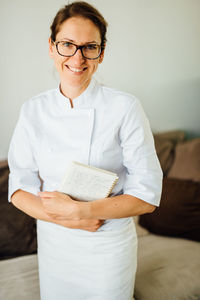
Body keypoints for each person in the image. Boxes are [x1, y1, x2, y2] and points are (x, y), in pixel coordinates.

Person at [8, 2, 163, 300]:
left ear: (101, 53)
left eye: (89, 47)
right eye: (67, 45)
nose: (77, 57)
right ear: (52, 48)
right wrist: (67, 218)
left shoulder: (124, 107)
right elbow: (19, 188)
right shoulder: (33, 110)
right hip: (55, 244)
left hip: (106, 246)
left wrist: (83, 210)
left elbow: (147, 195)